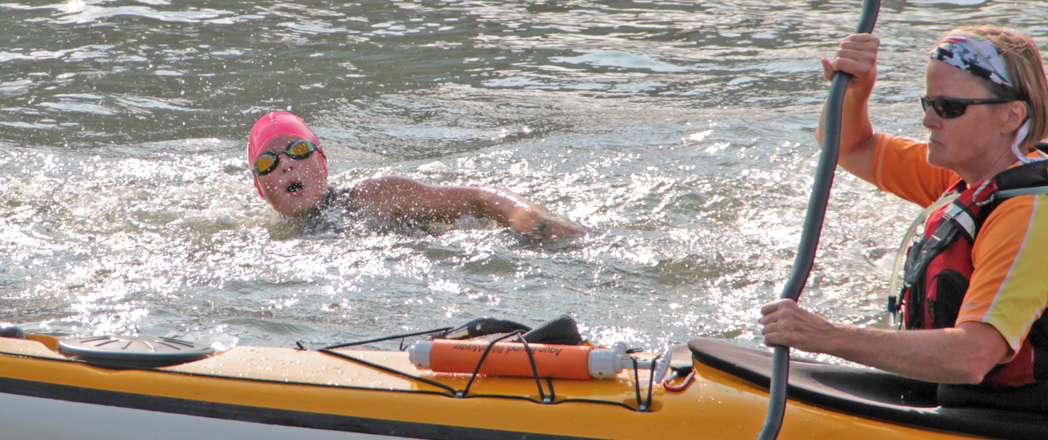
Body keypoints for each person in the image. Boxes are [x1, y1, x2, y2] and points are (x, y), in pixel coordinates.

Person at [759, 25, 1048, 391]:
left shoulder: (1030, 215)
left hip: (1011, 413)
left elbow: (972, 357)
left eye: (947, 108)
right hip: (955, 397)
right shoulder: (969, 178)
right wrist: (857, 88)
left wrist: (825, 335)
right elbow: (847, 146)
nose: (928, 120)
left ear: (1011, 116)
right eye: (928, 103)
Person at [248, 111, 584, 242]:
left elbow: (478, 198)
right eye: (267, 163)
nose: (286, 164)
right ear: (260, 190)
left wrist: (526, 217)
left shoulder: (372, 196)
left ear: (323, 164)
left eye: (299, 150)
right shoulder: (262, 236)